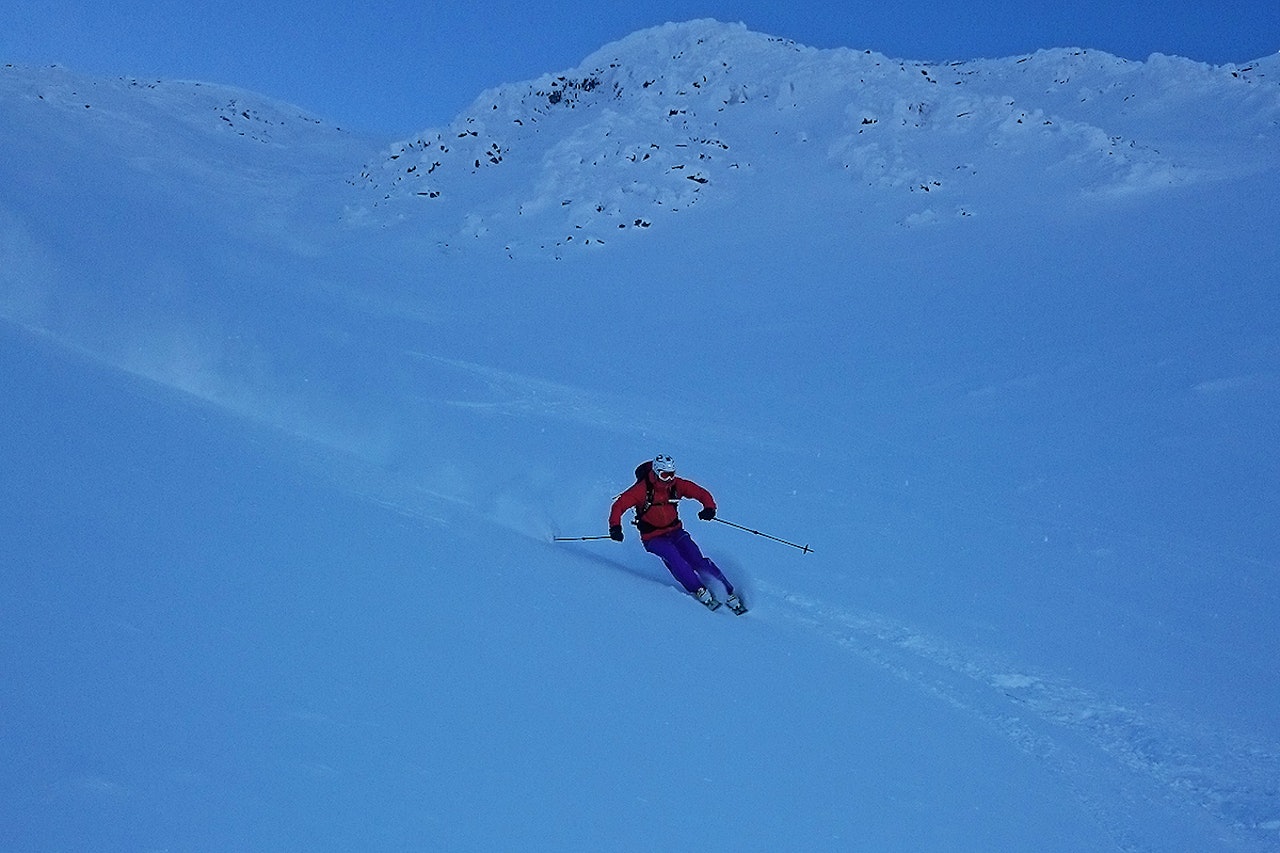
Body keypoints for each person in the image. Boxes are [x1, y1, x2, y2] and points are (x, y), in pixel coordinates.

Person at [609, 454, 743, 612]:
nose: (670, 478)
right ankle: (698, 589)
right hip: (653, 537)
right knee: (675, 558)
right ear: (656, 473)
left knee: (696, 559)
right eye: (665, 475)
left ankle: (727, 592)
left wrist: (709, 507)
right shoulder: (641, 490)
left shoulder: (676, 485)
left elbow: (700, 493)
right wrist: (615, 527)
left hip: (675, 531)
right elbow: (619, 506)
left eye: (672, 474)